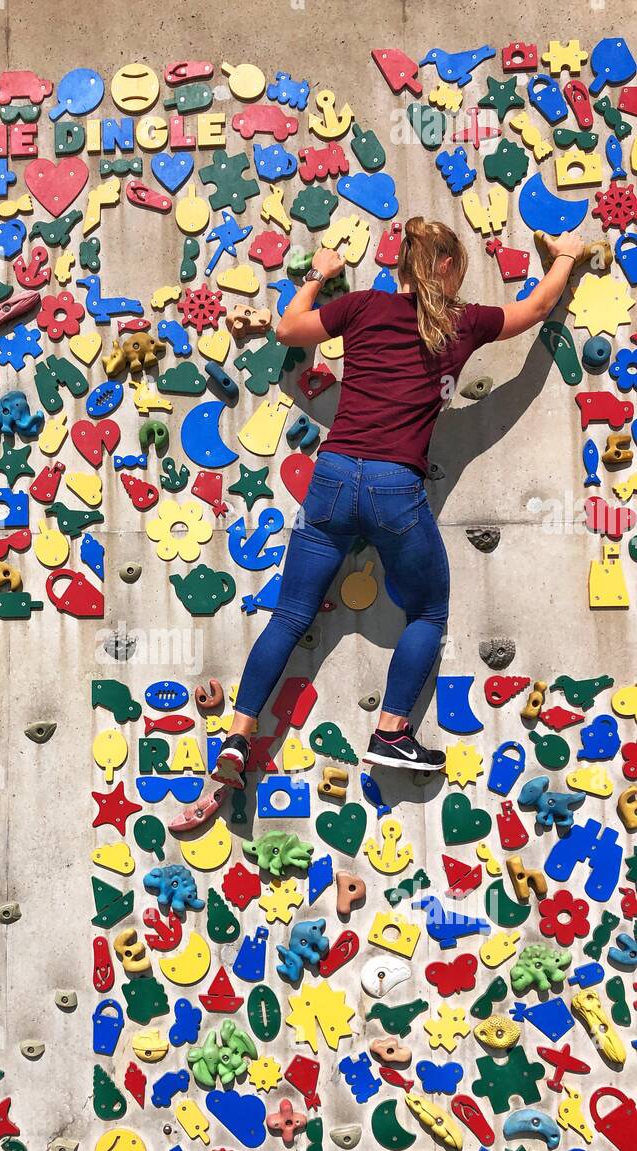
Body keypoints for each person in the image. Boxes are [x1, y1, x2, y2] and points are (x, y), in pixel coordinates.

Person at [171, 216, 587, 833]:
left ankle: (236, 737)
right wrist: (566, 256)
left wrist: (319, 275)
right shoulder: (463, 322)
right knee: (427, 611)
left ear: (400, 268)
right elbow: (536, 310)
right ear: (447, 269)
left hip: (333, 477)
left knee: (290, 615)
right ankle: (393, 731)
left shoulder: (363, 307)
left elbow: (287, 329)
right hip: (395, 488)